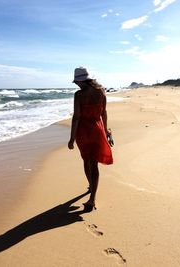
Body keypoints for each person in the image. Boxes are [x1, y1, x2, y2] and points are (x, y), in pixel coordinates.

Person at [68, 67, 113, 212]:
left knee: (86, 160)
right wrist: (105, 130)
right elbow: (104, 113)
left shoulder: (79, 95)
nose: (76, 85)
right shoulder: (101, 91)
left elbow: (77, 117)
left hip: (83, 132)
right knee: (94, 164)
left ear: (81, 81)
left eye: (77, 82)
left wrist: (72, 138)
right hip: (97, 129)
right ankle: (92, 194)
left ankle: (92, 194)